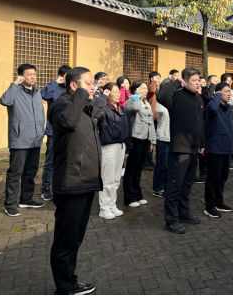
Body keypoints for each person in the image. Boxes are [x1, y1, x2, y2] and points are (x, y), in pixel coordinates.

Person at [48, 67, 100, 296]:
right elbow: (68, 121)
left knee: (75, 239)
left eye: (93, 83)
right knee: (65, 241)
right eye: (88, 83)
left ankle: (70, 281)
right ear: (73, 85)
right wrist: (81, 93)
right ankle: (65, 287)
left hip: (85, 181)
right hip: (71, 183)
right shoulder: (62, 104)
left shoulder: (82, 106)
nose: (92, 86)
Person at [157, 68, 204, 234]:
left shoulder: (198, 97)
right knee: (175, 185)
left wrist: (201, 143)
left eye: (199, 80)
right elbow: (161, 96)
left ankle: (183, 213)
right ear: (185, 81)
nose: (198, 83)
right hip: (180, 149)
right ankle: (171, 220)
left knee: (187, 184)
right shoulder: (176, 96)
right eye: (194, 80)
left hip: (194, 148)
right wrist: (176, 82)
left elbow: (201, 122)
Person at [0, 64, 46, 217]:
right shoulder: (15, 91)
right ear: (21, 76)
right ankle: (10, 204)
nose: (32, 77)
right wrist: (14, 84)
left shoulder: (37, 92)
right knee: (15, 173)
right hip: (20, 140)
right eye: (29, 74)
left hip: (36, 140)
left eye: (34, 74)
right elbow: (4, 101)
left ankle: (26, 199)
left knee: (30, 172)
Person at [91, 83, 132, 220]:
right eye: (115, 92)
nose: (118, 94)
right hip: (108, 147)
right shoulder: (103, 108)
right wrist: (103, 96)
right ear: (108, 93)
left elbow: (128, 128)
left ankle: (112, 204)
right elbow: (92, 107)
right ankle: (104, 208)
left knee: (116, 179)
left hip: (121, 146)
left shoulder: (122, 109)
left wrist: (128, 146)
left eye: (119, 92)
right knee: (107, 179)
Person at [41, 65, 71, 201]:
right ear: (61, 76)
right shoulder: (54, 88)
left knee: (66, 160)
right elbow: (43, 95)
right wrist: (54, 83)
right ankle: (46, 188)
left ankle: (61, 185)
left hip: (68, 130)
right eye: (66, 76)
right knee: (50, 160)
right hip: (53, 131)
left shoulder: (71, 90)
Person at [204, 82, 233, 218]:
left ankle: (219, 202)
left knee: (222, 178)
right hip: (215, 149)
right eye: (226, 91)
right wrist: (216, 95)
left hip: (226, 149)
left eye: (230, 91)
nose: (229, 94)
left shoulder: (228, 109)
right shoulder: (213, 107)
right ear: (218, 93)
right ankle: (209, 206)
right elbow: (211, 108)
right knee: (213, 179)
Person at [124, 80, 156, 207]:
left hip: (145, 139)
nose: (145, 90)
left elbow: (151, 123)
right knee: (131, 169)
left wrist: (152, 140)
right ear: (135, 90)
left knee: (138, 169)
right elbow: (135, 109)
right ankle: (129, 197)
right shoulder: (131, 101)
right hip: (135, 139)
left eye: (145, 88)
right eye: (141, 88)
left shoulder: (146, 102)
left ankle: (137, 194)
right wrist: (136, 96)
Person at [143, 71, 161, 171]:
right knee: (149, 140)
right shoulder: (150, 89)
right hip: (150, 118)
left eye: (159, 78)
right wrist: (153, 82)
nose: (159, 80)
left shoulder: (159, 90)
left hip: (156, 118)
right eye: (156, 78)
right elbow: (151, 91)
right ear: (151, 79)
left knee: (153, 140)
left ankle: (150, 161)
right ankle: (146, 162)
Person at [152, 99, 170, 198]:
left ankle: (166, 186)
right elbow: (157, 114)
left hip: (172, 138)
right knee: (162, 164)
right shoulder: (159, 103)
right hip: (162, 137)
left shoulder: (174, 102)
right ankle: (157, 188)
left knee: (169, 165)